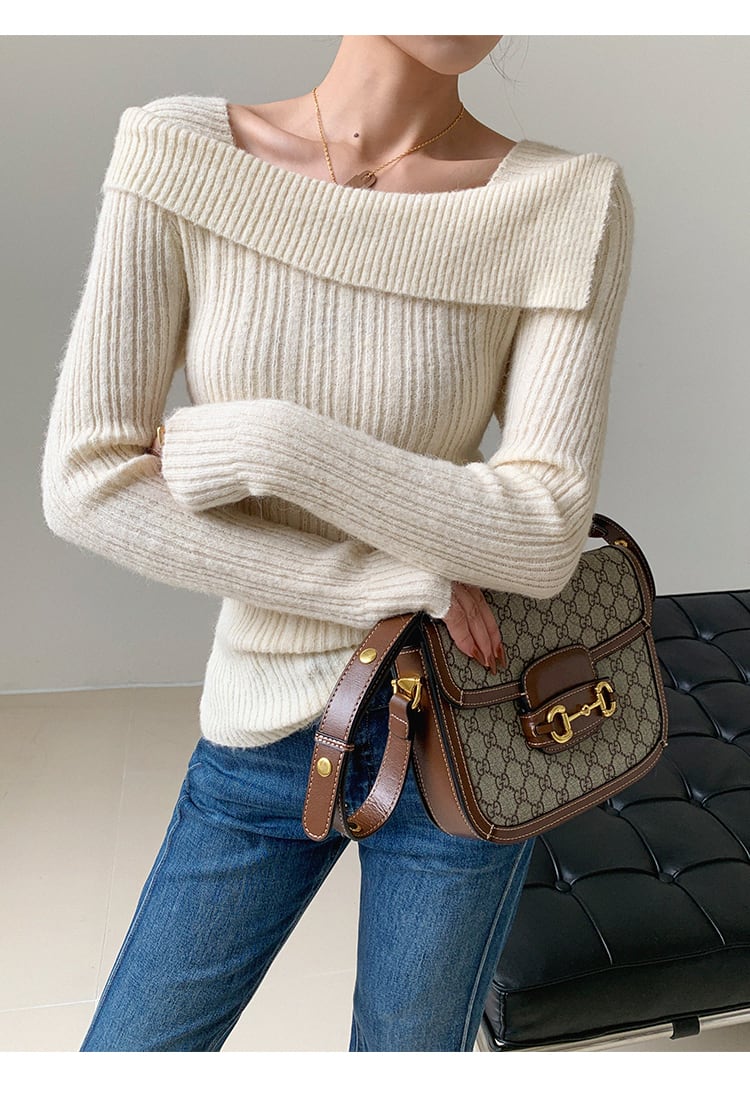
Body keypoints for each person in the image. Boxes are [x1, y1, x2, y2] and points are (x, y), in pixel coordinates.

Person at [40, 35, 634, 1051]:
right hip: (265, 719)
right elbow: (87, 483)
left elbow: (542, 532)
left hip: (467, 725)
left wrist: (277, 445)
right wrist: (377, 580)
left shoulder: (567, 201)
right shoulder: (180, 153)